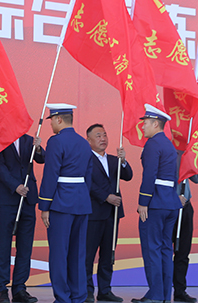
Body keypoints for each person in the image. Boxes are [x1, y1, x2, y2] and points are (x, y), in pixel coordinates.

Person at [39, 104, 93, 303]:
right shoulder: (83, 143)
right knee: (78, 252)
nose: (51, 124)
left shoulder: (55, 141)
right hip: (81, 201)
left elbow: (51, 174)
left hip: (61, 203)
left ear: (59, 119)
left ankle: (62, 297)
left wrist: (44, 206)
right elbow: (88, 176)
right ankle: (78, 295)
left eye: (52, 120)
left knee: (59, 253)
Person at [132, 104, 182, 303]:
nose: (143, 126)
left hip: (155, 203)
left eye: (145, 123)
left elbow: (149, 175)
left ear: (155, 124)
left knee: (152, 249)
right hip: (170, 203)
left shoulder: (153, 144)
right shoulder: (169, 145)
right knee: (165, 250)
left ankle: (155, 295)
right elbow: (174, 176)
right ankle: (164, 295)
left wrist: (143, 201)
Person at [84, 124, 133, 303]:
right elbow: (86, 183)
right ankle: (87, 291)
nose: (103, 139)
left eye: (104, 135)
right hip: (93, 214)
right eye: (98, 135)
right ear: (89, 140)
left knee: (108, 254)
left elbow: (128, 176)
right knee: (88, 255)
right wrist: (105, 197)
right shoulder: (85, 159)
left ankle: (105, 290)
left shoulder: (113, 160)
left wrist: (123, 160)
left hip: (112, 215)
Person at [0, 135, 44, 303]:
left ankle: (20, 288)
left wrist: (38, 148)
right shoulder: (0, 139)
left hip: (28, 199)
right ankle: (1, 289)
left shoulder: (29, 140)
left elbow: (41, 159)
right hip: (7, 198)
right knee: (3, 245)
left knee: (25, 246)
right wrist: (15, 186)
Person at [172, 168, 198, 303]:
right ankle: (162, 290)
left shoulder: (188, 157)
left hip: (186, 207)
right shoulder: (167, 156)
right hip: (169, 206)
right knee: (165, 251)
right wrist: (174, 197)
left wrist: (191, 164)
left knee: (183, 252)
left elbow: (197, 179)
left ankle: (180, 291)